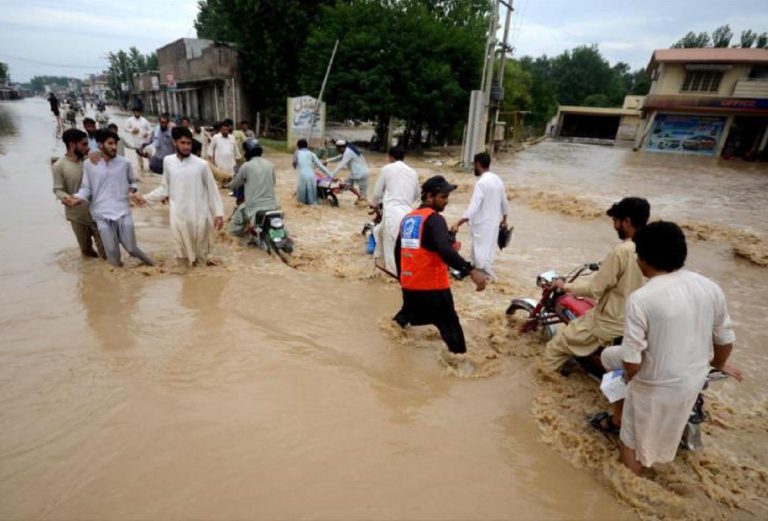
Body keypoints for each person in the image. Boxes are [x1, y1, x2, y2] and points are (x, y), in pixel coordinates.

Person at [594, 221, 741, 474]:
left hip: (654, 384)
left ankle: (631, 480)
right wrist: (717, 363)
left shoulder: (641, 299)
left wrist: (630, 378)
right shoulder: (709, 287)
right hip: (692, 378)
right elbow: (724, 340)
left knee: (629, 440)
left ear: (644, 258)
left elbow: (631, 361)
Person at [544, 197, 650, 373]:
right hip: (635, 323)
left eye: (616, 221)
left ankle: (541, 384)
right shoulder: (652, 246)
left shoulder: (622, 251)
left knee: (557, 345)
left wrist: (565, 286)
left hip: (610, 322)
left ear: (627, 221)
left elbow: (594, 290)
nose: (614, 226)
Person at [393, 175, 488, 354]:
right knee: (453, 335)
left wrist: (402, 278)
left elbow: (397, 250)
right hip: (434, 290)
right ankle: (461, 368)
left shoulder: (409, 218)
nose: (446, 201)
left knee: (402, 320)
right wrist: (471, 270)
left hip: (410, 287)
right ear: (430, 197)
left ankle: (394, 350)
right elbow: (445, 251)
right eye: (443, 197)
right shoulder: (435, 219)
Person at [63, 129, 154, 268]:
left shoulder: (124, 163)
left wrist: (133, 191)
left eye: (115, 143)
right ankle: (117, 282)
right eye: (110, 143)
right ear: (100, 145)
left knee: (131, 248)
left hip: (122, 211)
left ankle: (153, 265)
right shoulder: (89, 164)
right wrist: (77, 198)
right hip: (101, 214)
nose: (114, 147)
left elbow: (132, 182)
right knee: (112, 255)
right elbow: (86, 188)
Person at [141, 127, 224, 266]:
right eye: (183, 143)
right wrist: (145, 198)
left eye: (189, 143)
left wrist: (219, 214)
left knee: (200, 257)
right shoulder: (168, 161)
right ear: (174, 143)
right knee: (181, 256)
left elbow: (212, 190)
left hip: (200, 218)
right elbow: (165, 188)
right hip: (178, 217)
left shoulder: (202, 165)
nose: (186, 147)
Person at [450, 152, 510, 277]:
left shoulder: (481, 183)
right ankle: (483, 277)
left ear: (478, 164)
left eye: (474, 165)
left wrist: (458, 223)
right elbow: (504, 202)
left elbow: (473, 207)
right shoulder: (497, 179)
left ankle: (483, 277)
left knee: (479, 255)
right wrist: (504, 219)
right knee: (487, 253)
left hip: (482, 225)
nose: (473, 168)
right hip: (493, 224)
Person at [51, 128, 105, 259]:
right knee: (86, 250)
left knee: (106, 251)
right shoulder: (59, 166)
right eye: (84, 144)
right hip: (77, 215)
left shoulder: (89, 160)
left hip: (98, 213)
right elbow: (58, 189)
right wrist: (65, 197)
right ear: (72, 145)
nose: (87, 147)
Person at [370, 146, 420, 274]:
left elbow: (376, 193)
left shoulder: (387, 169)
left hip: (392, 213)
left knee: (390, 246)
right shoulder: (413, 172)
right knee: (380, 232)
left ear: (390, 157)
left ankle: (392, 275)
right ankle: (378, 261)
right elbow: (417, 195)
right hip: (409, 214)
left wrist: (374, 205)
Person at [229, 140, 278, 237]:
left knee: (232, 230)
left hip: (253, 207)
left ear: (247, 152)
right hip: (272, 205)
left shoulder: (246, 166)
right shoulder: (270, 165)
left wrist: (228, 185)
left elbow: (235, 184)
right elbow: (273, 183)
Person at [293, 138, 331, 205]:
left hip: (302, 178)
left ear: (298, 146)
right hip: (312, 177)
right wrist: (330, 175)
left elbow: (294, 165)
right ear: (307, 146)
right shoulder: (312, 154)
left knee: (301, 202)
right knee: (312, 201)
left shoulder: (297, 153)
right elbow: (321, 166)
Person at [208, 118, 240, 182]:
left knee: (231, 180)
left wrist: (237, 161)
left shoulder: (232, 137)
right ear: (220, 130)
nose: (225, 131)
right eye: (223, 130)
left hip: (231, 163)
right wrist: (212, 162)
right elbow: (210, 151)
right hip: (219, 163)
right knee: (221, 180)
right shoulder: (215, 137)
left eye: (226, 130)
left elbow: (236, 151)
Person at [125, 107, 152, 172]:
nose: (137, 113)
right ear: (133, 113)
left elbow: (150, 129)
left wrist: (147, 133)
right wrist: (132, 130)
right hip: (136, 142)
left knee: (148, 155)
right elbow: (125, 128)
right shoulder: (130, 120)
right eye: (136, 112)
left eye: (138, 112)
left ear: (140, 113)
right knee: (139, 157)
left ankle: (151, 167)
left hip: (145, 141)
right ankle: (141, 169)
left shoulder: (144, 120)